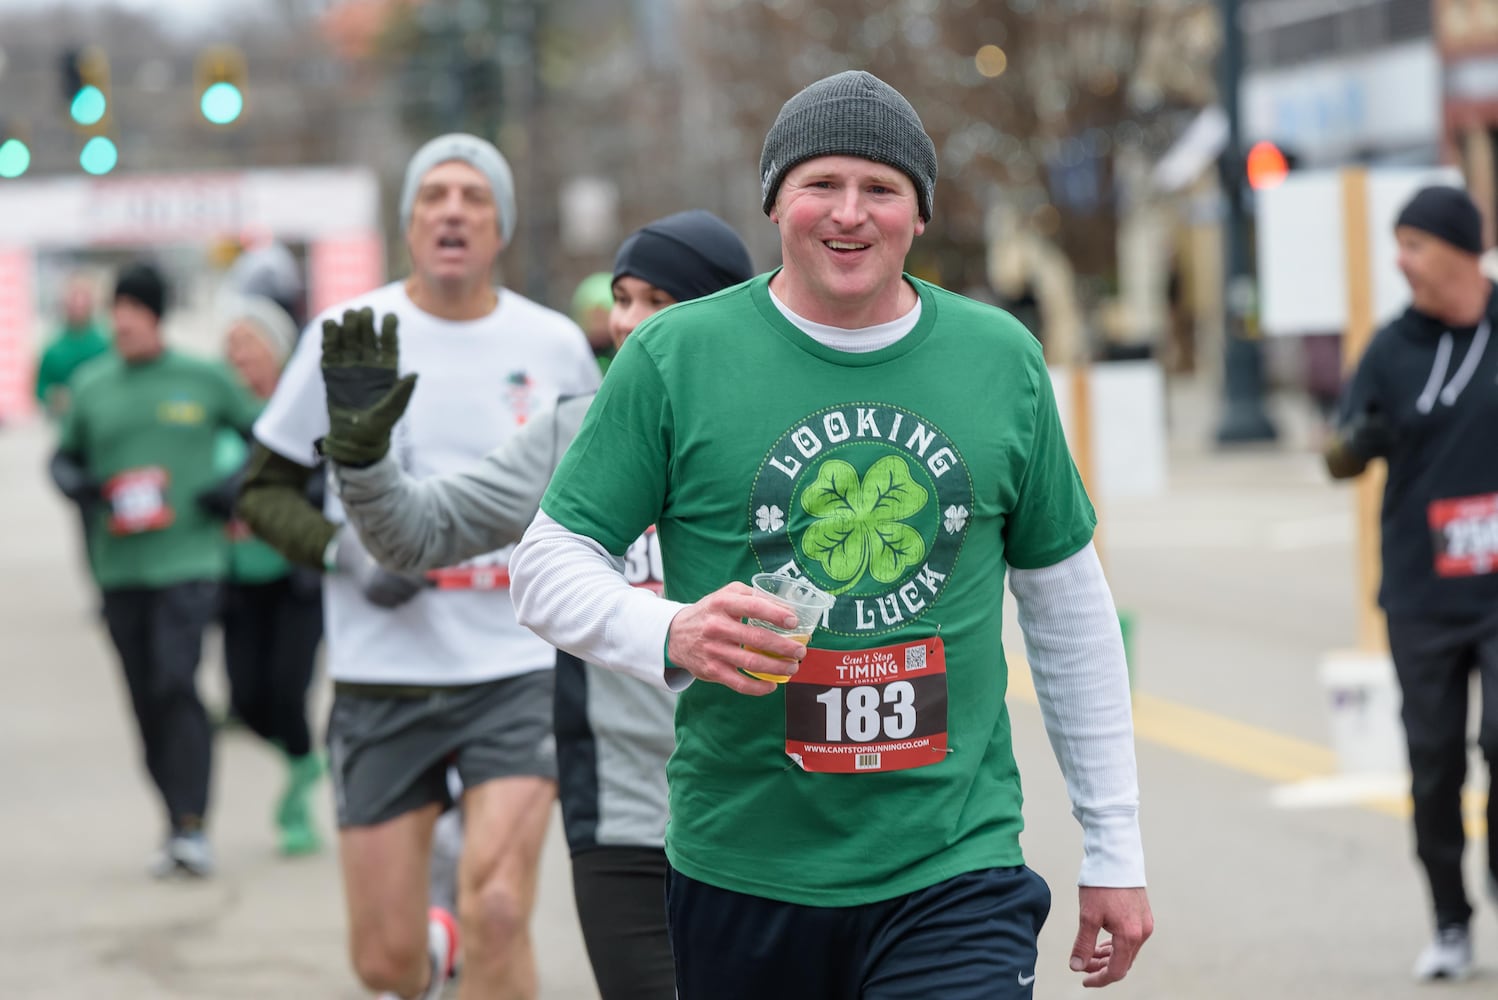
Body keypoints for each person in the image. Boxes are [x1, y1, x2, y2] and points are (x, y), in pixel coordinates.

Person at [508, 70, 1152, 998]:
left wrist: (1115, 846)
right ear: (775, 201)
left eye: (881, 189)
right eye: (821, 185)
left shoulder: (997, 358)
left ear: (918, 214)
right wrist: (671, 630)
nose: (849, 214)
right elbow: (546, 565)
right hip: (743, 866)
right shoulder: (675, 356)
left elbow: (1069, 610)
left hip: (952, 865)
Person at [316, 209, 755, 1000]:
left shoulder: (775, 430)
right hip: (622, 812)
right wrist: (362, 457)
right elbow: (417, 532)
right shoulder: (573, 434)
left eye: (658, 300)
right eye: (623, 298)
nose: (628, 322)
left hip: (760, 800)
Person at [237, 132, 600, 1000]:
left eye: (474, 197)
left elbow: (599, 495)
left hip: (514, 668)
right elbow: (262, 489)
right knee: (386, 963)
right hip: (381, 674)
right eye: (434, 195)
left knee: (503, 908)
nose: (452, 210)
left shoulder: (552, 346)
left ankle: (467, 932)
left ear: (500, 226)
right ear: (409, 222)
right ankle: (435, 949)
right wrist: (341, 551)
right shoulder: (349, 334)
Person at [1325, 184, 1498, 982]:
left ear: (1462, 251)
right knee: (1434, 764)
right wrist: (1358, 442)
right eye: (1396, 243)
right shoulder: (1391, 348)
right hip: (1423, 596)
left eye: (1416, 244)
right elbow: (1338, 454)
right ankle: (1451, 919)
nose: (1400, 260)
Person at [48, 262, 262, 878]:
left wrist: (229, 489)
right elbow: (62, 459)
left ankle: (194, 823)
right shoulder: (94, 386)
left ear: (157, 317)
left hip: (189, 560)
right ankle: (174, 820)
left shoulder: (203, 379)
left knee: (176, 680)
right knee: (145, 698)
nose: (123, 321)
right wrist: (82, 488)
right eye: (118, 310)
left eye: (135, 310)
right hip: (120, 569)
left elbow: (263, 438)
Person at [211, 295, 326, 857]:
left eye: (249, 345)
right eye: (231, 347)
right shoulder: (215, 417)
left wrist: (251, 502)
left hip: (293, 579)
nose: (239, 358)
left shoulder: (304, 413)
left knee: (286, 692)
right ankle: (304, 762)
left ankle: (300, 792)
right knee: (247, 700)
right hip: (237, 581)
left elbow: (319, 484)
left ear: (278, 353)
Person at [35, 274, 111, 421]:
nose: (78, 304)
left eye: (83, 298)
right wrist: (52, 395)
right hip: (65, 418)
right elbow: (40, 387)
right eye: (74, 298)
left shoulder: (106, 341)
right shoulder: (54, 348)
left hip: (101, 416)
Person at [570, 270, 617, 373]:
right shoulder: (576, 352)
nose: (598, 324)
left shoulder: (623, 354)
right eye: (593, 316)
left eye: (602, 316)